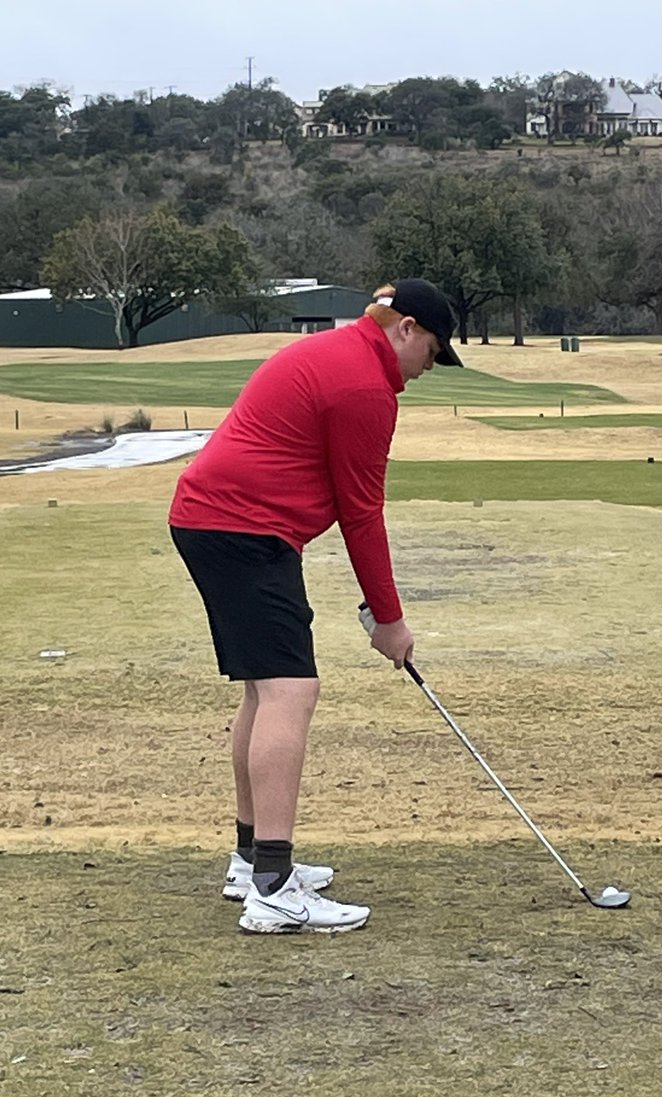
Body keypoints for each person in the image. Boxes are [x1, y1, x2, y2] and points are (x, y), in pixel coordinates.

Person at [169, 278, 462, 934]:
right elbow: (362, 514)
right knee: (290, 692)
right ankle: (272, 888)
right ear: (406, 328)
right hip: (240, 530)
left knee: (264, 692)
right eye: (433, 352)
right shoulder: (363, 385)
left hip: (227, 526)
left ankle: (253, 863)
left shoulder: (342, 355)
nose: (428, 370)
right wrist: (389, 620)